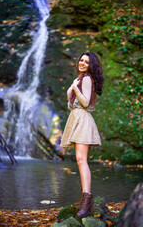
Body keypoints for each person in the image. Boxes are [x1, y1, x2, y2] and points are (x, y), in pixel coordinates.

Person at [60, 52, 104, 218]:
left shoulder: (85, 79)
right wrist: (72, 89)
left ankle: (87, 200)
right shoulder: (79, 80)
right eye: (81, 60)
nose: (83, 63)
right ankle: (83, 198)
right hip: (76, 118)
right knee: (80, 160)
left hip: (83, 119)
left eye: (87, 62)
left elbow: (85, 103)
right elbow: (72, 105)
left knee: (81, 159)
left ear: (90, 66)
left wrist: (75, 88)